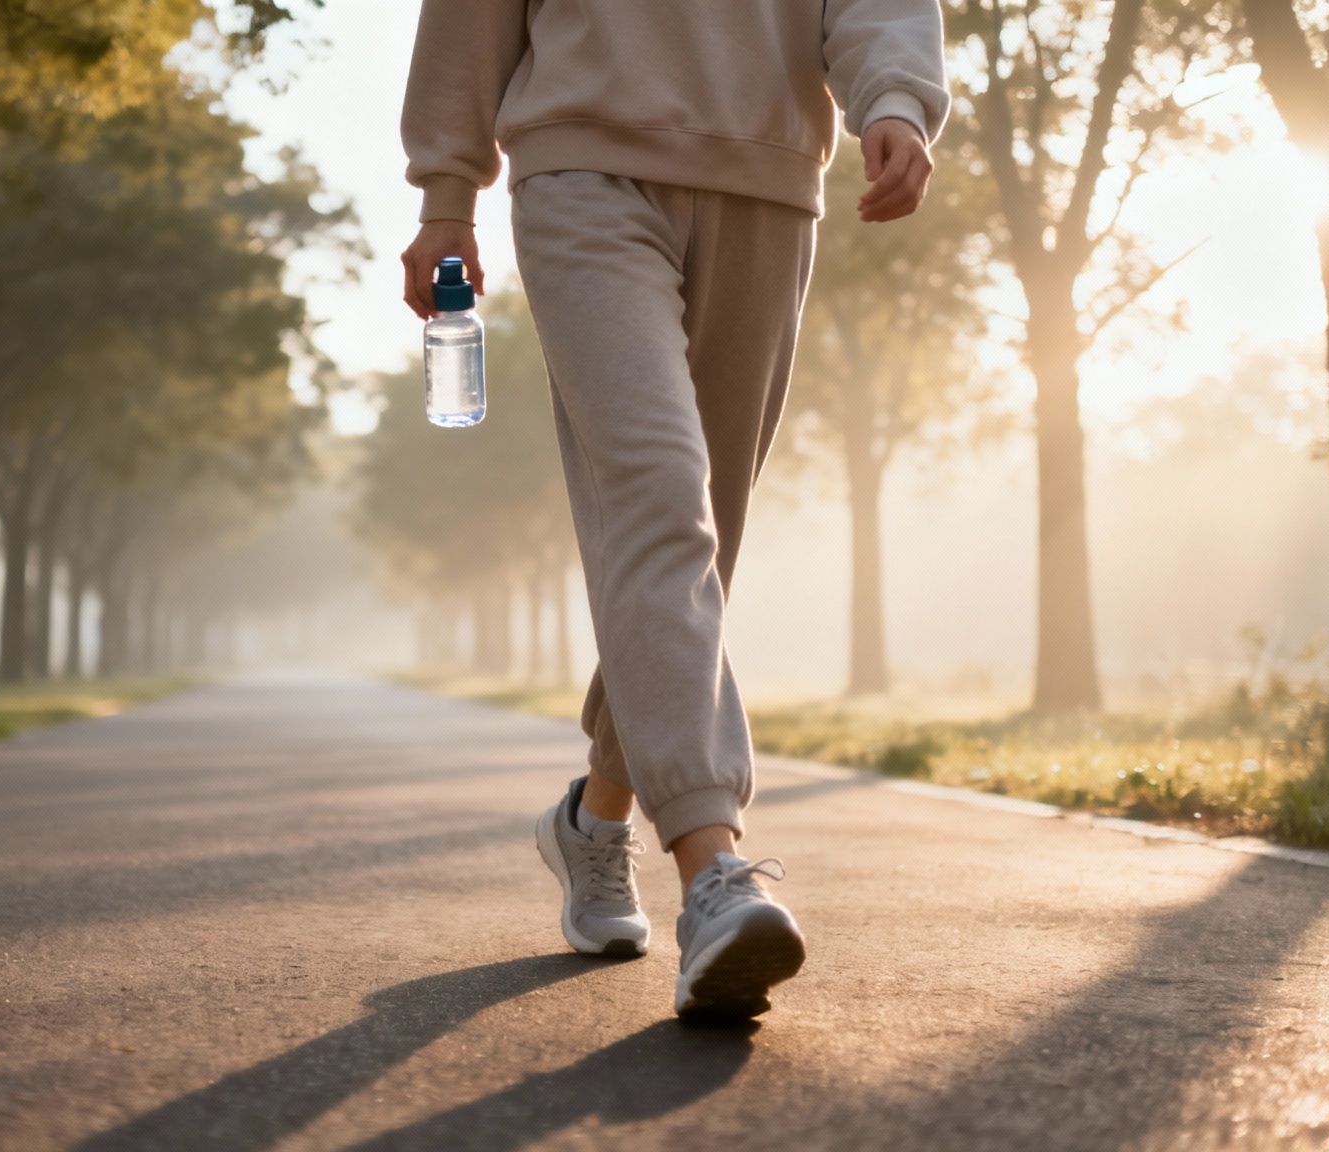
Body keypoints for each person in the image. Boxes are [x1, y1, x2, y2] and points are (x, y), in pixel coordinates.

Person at [398, 0, 950, 1021]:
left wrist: (897, 99)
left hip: (768, 181)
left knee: (706, 540)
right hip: (581, 170)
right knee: (659, 498)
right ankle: (714, 875)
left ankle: (594, 817)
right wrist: (446, 193)